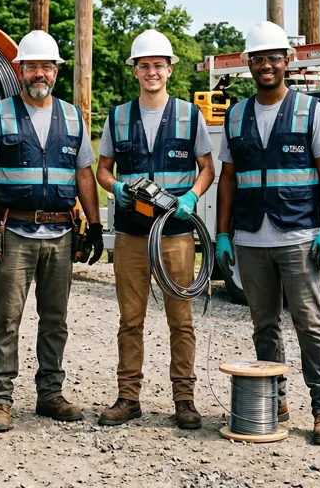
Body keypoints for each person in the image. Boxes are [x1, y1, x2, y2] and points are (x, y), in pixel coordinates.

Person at [0, 29, 104, 432]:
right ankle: (0, 400)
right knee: (7, 318)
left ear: (56, 71)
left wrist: (94, 226)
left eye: (47, 66)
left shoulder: (73, 116)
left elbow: (84, 174)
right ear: (19, 70)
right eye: (32, 67)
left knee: (55, 318)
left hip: (61, 235)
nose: (39, 73)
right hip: (13, 232)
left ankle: (50, 394)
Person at [214, 20, 320, 446]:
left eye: (273, 57)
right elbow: (227, 180)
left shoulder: (311, 111)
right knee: (263, 325)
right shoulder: (235, 116)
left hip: (299, 237)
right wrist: (223, 234)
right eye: (258, 58)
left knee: (310, 322)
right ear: (247, 64)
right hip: (251, 239)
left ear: (288, 61)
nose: (265, 65)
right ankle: (275, 401)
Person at [95, 29, 214, 430]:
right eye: (144, 65)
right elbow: (103, 170)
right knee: (131, 320)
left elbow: (207, 168)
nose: (151, 72)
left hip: (176, 233)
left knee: (181, 319)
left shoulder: (189, 115)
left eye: (158, 65)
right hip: (130, 233)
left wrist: (192, 198)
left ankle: (184, 400)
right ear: (135, 70)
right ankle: (128, 397)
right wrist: (115, 190)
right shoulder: (118, 116)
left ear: (169, 69)